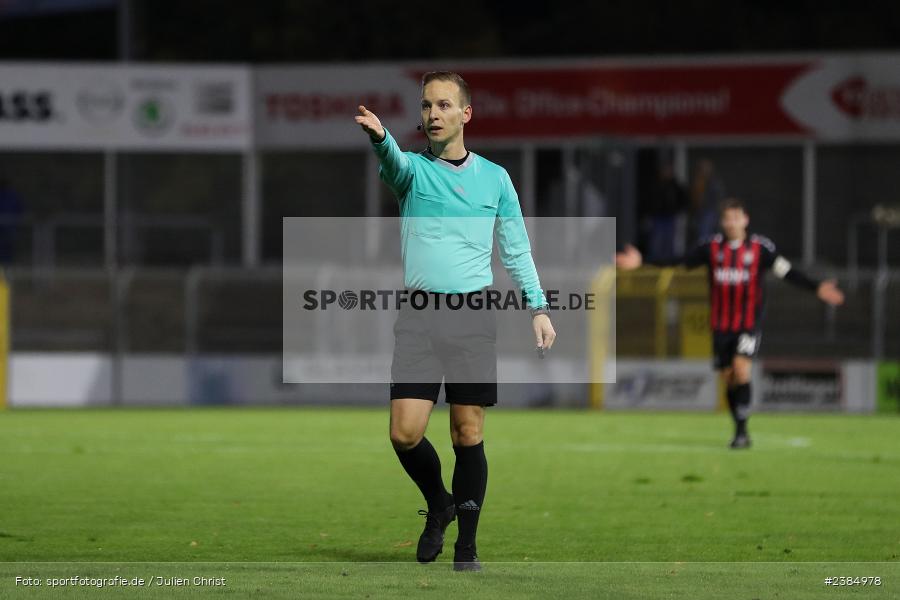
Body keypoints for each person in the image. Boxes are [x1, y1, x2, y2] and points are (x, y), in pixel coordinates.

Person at [354, 71, 556, 571]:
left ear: (465, 113)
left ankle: (466, 546)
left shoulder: (495, 179)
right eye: (426, 106)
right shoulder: (411, 172)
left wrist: (538, 306)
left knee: (467, 432)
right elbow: (393, 161)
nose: (433, 114)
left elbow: (515, 249)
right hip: (419, 316)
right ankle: (439, 503)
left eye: (443, 105)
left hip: (472, 316)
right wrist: (382, 138)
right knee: (404, 433)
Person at [615, 198, 844, 449]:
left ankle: (742, 432)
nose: (732, 222)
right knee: (728, 377)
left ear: (745, 220)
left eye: (737, 217)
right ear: (722, 222)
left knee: (741, 367)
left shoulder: (760, 249)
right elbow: (678, 261)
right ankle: (738, 428)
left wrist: (816, 287)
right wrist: (643, 262)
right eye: (727, 218)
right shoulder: (710, 248)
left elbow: (787, 271)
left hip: (748, 324)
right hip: (720, 326)